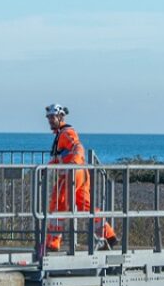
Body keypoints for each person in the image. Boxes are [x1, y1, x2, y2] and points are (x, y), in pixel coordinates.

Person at [44, 104, 115, 251]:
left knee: (57, 205)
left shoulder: (66, 133)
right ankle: (108, 235)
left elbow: (78, 147)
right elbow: (61, 157)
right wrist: (48, 167)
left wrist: (73, 165)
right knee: (85, 206)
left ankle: (53, 242)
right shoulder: (61, 134)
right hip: (80, 173)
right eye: (49, 117)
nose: (50, 120)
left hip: (71, 173)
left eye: (52, 117)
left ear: (60, 117)